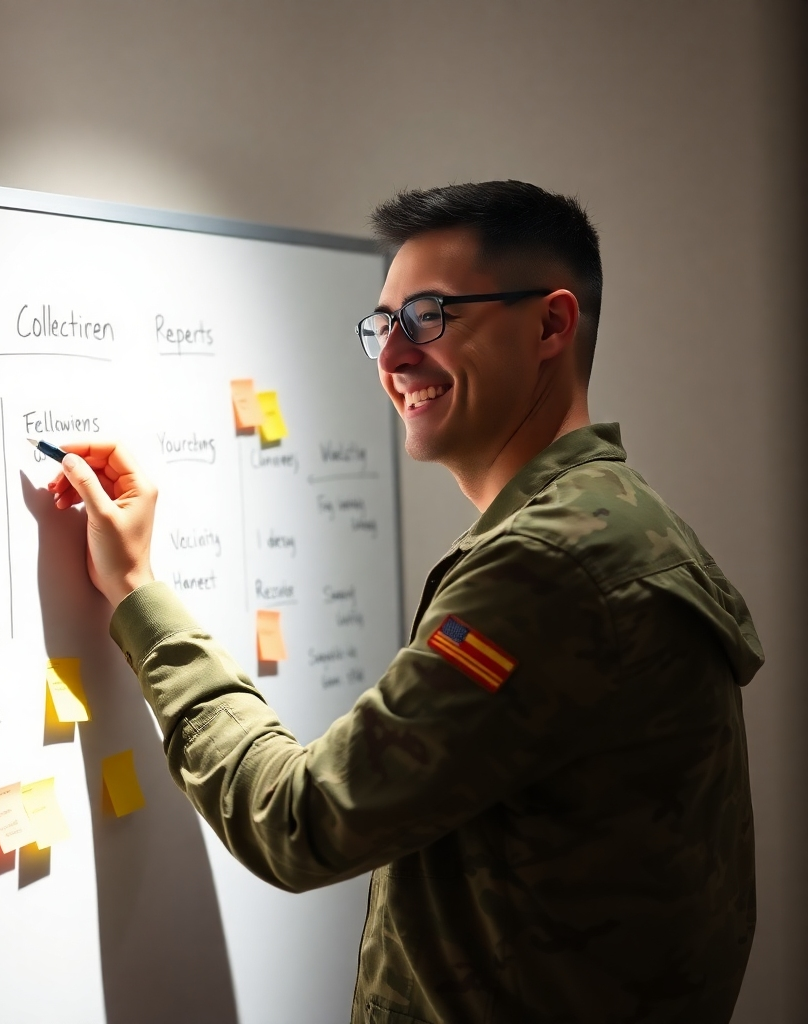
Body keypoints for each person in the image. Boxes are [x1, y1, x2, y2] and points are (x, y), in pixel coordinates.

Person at [49, 181, 762, 1024]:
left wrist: (137, 593)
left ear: (550, 325)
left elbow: (299, 820)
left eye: (429, 316)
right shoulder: (619, 519)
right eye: (382, 324)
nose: (392, 356)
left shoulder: (546, 565)